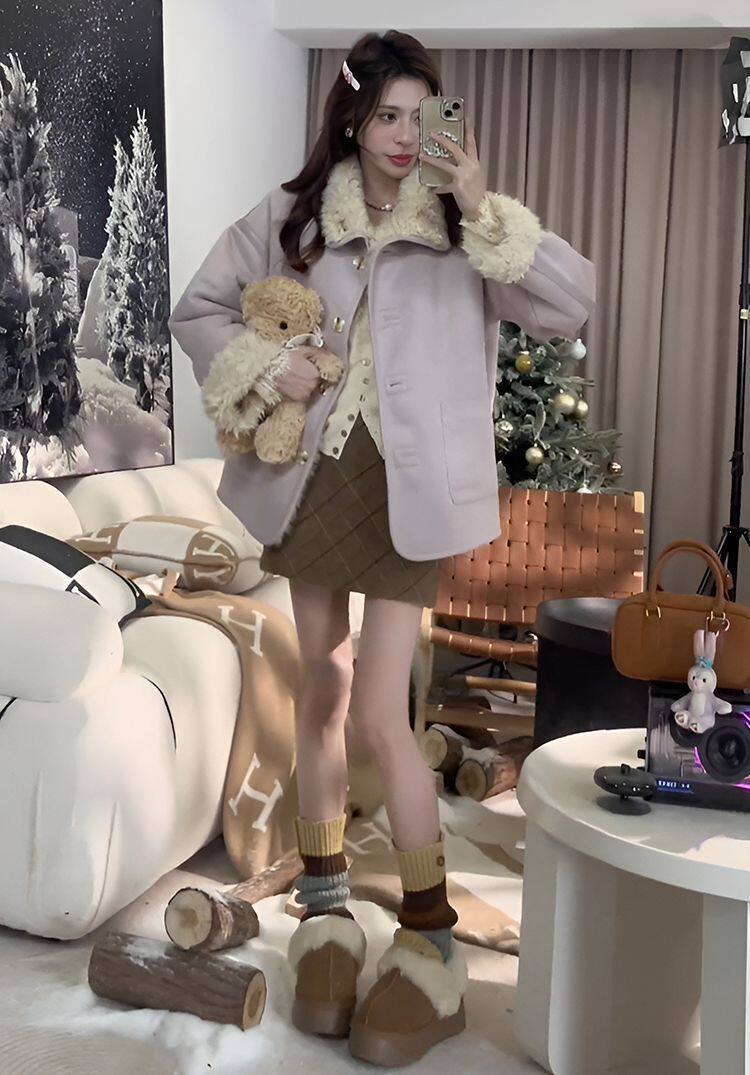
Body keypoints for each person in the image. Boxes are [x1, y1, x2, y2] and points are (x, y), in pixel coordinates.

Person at [168, 29, 595, 1067]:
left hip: (412, 494)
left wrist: (483, 202)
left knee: (377, 711)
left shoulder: (462, 226)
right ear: (353, 120)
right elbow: (200, 308)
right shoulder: (293, 215)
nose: (405, 136)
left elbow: (570, 304)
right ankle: (323, 911)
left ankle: (430, 930)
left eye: (421, 115)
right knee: (319, 689)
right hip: (312, 481)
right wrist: (269, 359)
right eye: (387, 116)